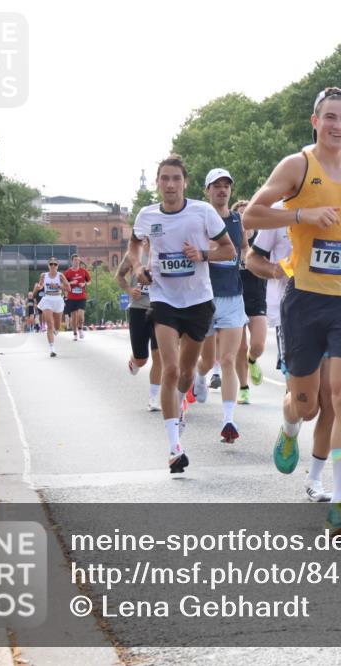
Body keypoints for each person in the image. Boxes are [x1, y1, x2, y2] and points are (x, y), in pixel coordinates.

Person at [243, 87, 341, 538]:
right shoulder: (297, 165)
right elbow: (252, 215)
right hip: (305, 300)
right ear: (315, 120)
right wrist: (301, 216)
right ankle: (290, 427)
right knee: (308, 406)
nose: (338, 126)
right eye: (330, 117)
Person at [129, 155, 236, 474]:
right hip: (163, 300)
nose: (170, 184)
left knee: (187, 373)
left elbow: (229, 250)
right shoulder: (147, 215)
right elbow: (134, 245)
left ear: (185, 182)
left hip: (198, 301)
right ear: (159, 183)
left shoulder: (202, 213)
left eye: (176, 178)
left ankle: (181, 402)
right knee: (170, 367)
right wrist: (138, 267)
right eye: (165, 178)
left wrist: (202, 254)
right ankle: (174, 447)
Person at [247, 204, 332, 502]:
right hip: (292, 315)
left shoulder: (339, 203)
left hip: (338, 312)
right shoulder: (279, 213)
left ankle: (316, 479)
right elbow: (251, 259)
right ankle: (289, 428)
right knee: (307, 407)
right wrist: (276, 270)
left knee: (332, 398)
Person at [189, 168, 248, 444]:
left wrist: (244, 259)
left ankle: (228, 421)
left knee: (227, 360)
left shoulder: (237, 219)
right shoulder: (200, 220)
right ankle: (200, 378)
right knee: (206, 358)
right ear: (207, 191)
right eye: (216, 186)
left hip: (233, 297)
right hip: (206, 297)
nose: (222, 190)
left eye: (226, 186)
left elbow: (243, 246)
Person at [116, 243, 162, 411]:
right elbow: (119, 276)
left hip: (160, 308)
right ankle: (134, 360)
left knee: (159, 356)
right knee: (142, 359)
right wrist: (129, 290)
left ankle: (153, 398)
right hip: (138, 308)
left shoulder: (165, 248)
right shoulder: (133, 254)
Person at [235, 199, 267, 405]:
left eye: (247, 214)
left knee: (257, 345)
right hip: (235, 299)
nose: (244, 219)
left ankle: (252, 359)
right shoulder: (229, 241)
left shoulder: (262, 240)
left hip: (257, 298)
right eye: (239, 215)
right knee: (240, 346)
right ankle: (244, 388)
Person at [33, 258, 72, 356]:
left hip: (58, 300)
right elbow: (41, 285)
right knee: (50, 325)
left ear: (58, 266)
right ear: (48, 266)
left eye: (55, 264)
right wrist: (38, 287)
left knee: (57, 326)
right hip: (47, 300)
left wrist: (58, 286)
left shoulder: (60, 276)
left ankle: (56, 330)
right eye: (51, 264)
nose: (53, 266)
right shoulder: (43, 275)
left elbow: (69, 288)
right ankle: (52, 349)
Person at [63, 254, 91, 340]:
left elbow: (89, 281)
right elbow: (63, 285)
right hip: (71, 298)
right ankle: (75, 333)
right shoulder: (67, 273)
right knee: (73, 318)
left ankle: (80, 329)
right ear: (72, 261)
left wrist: (84, 284)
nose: (76, 262)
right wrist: (71, 283)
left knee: (81, 316)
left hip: (81, 297)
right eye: (75, 260)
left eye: (78, 260)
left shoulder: (83, 271)